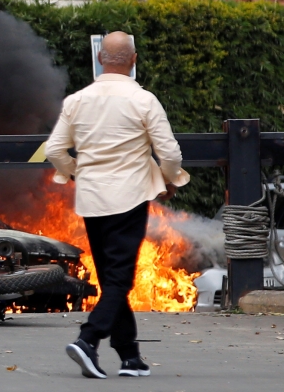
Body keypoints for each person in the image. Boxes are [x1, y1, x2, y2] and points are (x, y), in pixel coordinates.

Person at [45, 31, 189, 379]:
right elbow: (169, 153)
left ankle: (130, 357)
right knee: (120, 280)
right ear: (134, 60)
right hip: (130, 196)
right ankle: (88, 339)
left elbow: (54, 151)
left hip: (92, 199)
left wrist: (76, 172)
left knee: (113, 277)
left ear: (99, 60)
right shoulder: (144, 101)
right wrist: (172, 180)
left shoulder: (77, 100)